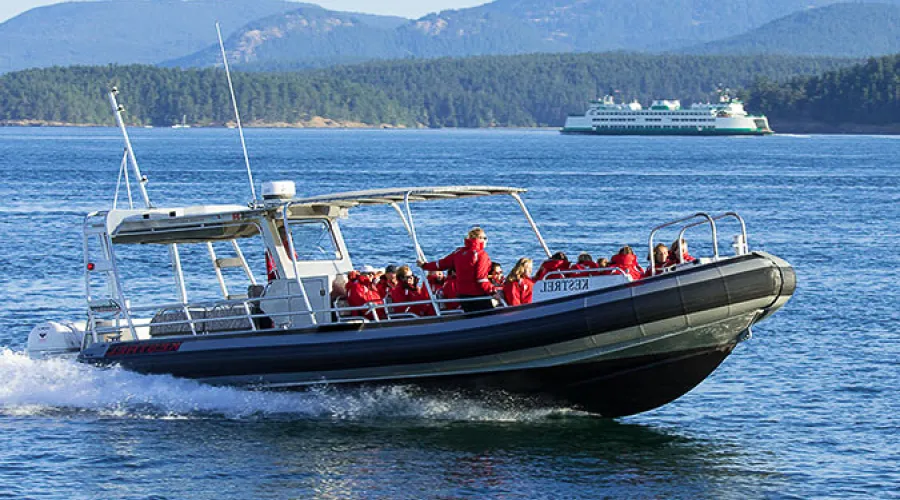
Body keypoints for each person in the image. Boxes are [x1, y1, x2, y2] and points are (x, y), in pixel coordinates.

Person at [419, 227, 494, 313]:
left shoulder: (458, 252)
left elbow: (441, 264)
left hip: (463, 294)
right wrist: (493, 291)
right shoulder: (481, 255)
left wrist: (425, 265)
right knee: (486, 315)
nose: (486, 241)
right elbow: (481, 278)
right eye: (485, 238)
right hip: (477, 294)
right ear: (479, 239)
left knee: (470, 316)